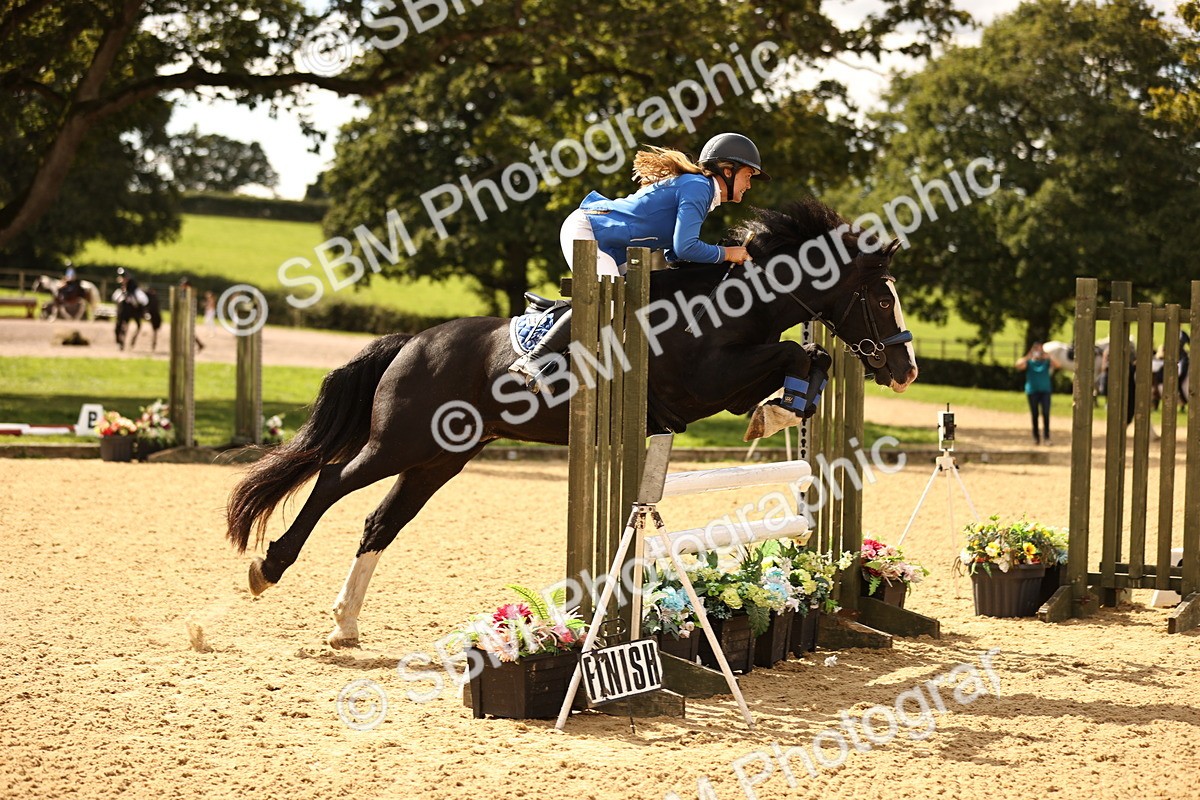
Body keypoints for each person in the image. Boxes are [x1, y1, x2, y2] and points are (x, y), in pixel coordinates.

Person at [509, 132, 768, 392]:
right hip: (589, 231)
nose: (749, 185)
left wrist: (711, 263)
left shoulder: (701, 191)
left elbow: (674, 254)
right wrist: (727, 254)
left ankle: (565, 331)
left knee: (633, 304)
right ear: (727, 171)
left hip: (613, 247)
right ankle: (532, 360)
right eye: (748, 176)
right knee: (610, 302)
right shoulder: (699, 187)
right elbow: (685, 246)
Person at [1017, 342, 1055, 445]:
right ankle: (1036, 437)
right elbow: (1018, 365)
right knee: (1035, 414)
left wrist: (1048, 357)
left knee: (1046, 414)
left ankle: (1046, 437)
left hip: (1045, 391)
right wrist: (1028, 356)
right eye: (1036, 350)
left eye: (1040, 350)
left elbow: (1057, 365)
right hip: (1032, 391)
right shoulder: (1029, 362)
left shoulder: (1046, 362)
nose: (1038, 352)